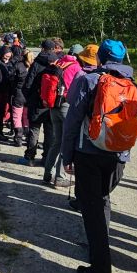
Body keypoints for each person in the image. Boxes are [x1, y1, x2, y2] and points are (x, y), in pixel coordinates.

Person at [62, 40, 136, 273]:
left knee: (91, 207)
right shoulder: (132, 83)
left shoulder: (88, 80)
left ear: (99, 58)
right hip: (118, 154)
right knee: (103, 199)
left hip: (89, 152)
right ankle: (99, 244)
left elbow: (72, 120)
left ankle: (101, 269)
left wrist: (67, 155)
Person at [44, 44, 82, 187]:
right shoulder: (76, 67)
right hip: (65, 105)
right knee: (66, 143)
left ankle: (47, 174)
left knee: (57, 141)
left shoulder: (59, 62)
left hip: (53, 105)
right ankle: (60, 177)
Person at [20, 39, 58, 166]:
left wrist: (28, 98)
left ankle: (30, 157)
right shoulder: (57, 62)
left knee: (34, 130)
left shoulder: (36, 63)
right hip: (51, 103)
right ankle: (47, 159)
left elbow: (28, 84)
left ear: (42, 48)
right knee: (49, 132)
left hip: (36, 102)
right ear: (53, 48)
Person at [7, 46, 30, 146]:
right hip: (28, 94)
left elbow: (10, 77)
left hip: (18, 93)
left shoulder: (18, 65)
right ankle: (28, 136)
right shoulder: (34, 66)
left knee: (17, 116)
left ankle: (18, 137)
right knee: (26, 116)